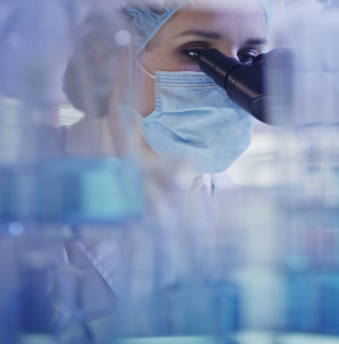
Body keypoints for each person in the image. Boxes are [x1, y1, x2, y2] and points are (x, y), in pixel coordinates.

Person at [57, 0, 270, 340]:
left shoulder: (241, 214)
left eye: (248, 58)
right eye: (197, 51)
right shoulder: (27, 198)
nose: (235, 83)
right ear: (110, 58)